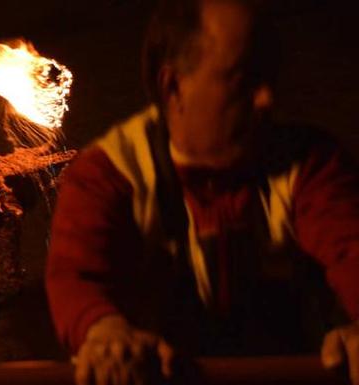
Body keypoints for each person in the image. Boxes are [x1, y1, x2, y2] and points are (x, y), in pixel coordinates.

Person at [45, 1, 359, 384]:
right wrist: (105, 331)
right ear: (172, 84)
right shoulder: (108, 175)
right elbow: (77, 278)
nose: (266, 99)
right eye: (243, 79)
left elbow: (351, 245)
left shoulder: (308, 164)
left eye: (268, 78)